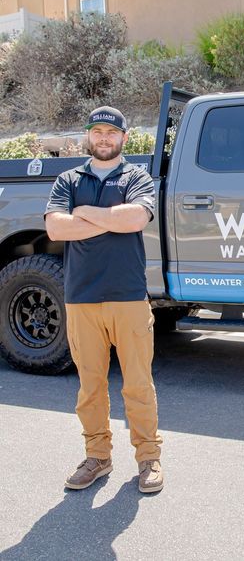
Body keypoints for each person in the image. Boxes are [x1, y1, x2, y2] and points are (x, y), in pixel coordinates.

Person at [45, 106, 163, 494]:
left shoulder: (136, 176)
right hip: (82, 298)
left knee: (137, 384)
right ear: (88, 136)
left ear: (124, 138)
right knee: (90, 386)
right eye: (97, 131)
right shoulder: (67, 179)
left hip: (128, 296)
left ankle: (148, 458)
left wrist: (87, 214)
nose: (104, 138)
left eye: (111, 132)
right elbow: (56, 227)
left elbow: (134, 220)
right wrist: (107, 218)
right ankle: (97, 456)